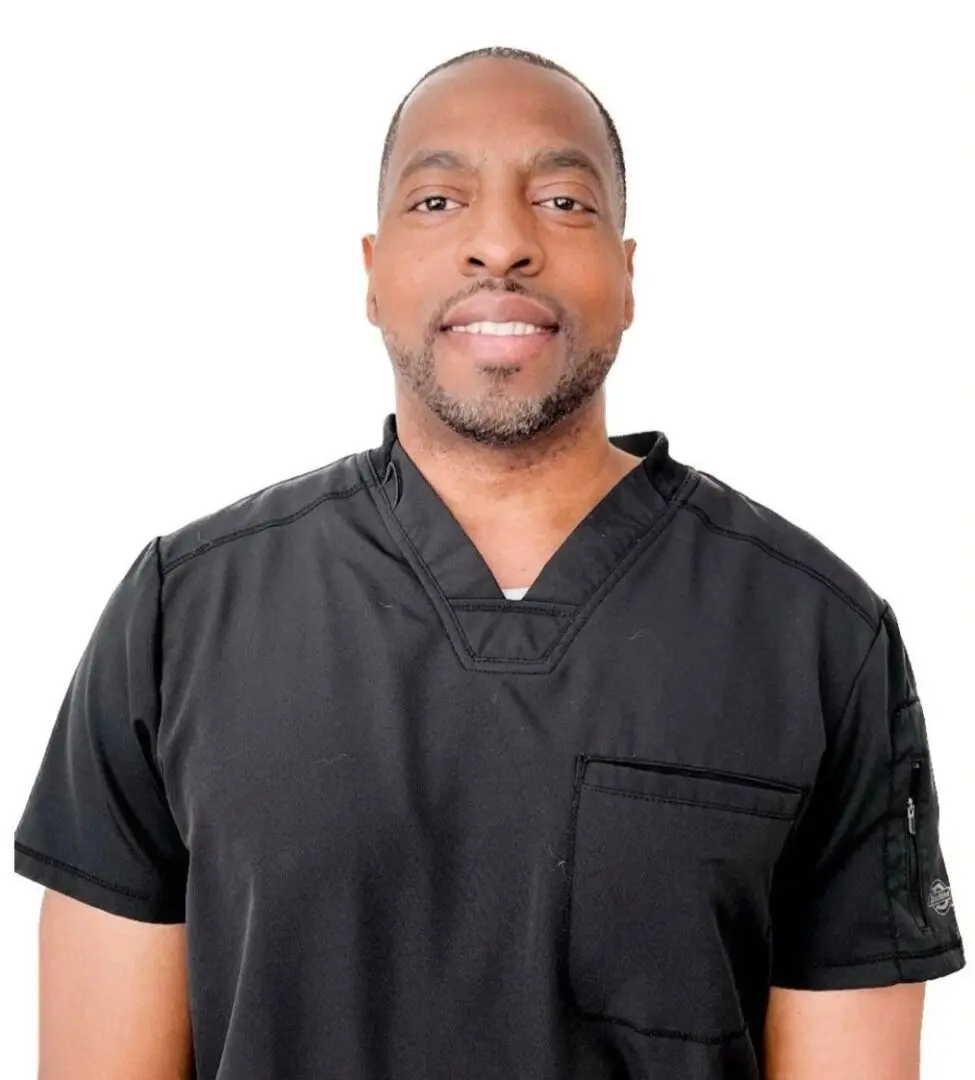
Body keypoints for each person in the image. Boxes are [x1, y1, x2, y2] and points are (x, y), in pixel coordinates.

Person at [12, 45, 966, 1080]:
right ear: (370, 274)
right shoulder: (181, 616)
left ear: (630, 274)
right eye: (437, 202)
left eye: (562, 200)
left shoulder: (814, 637)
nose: (501, 243)